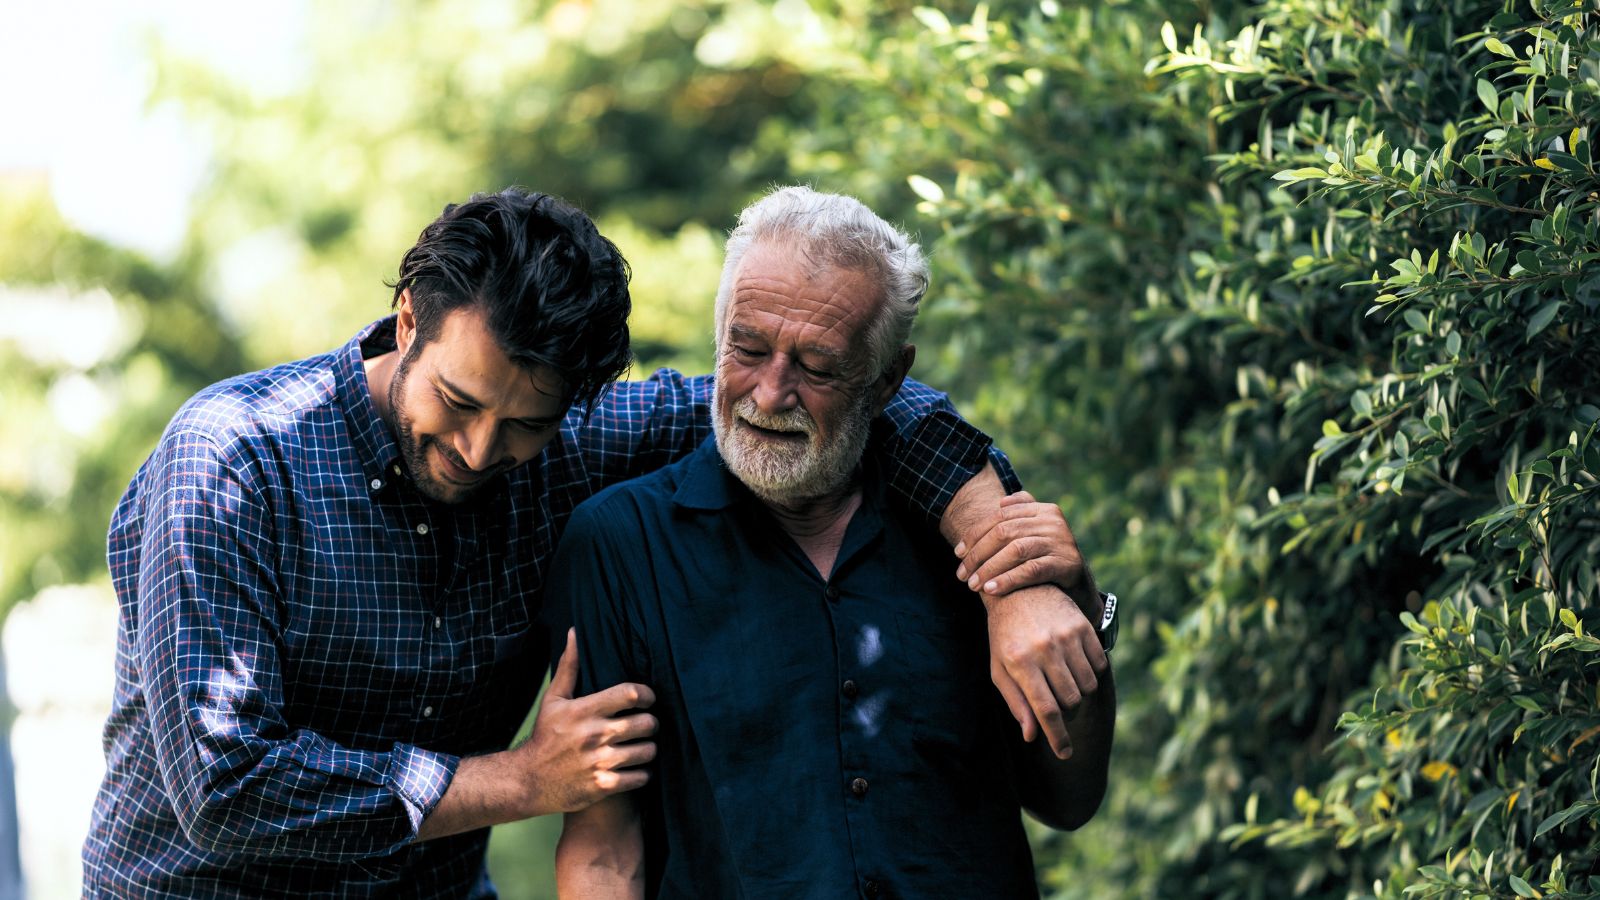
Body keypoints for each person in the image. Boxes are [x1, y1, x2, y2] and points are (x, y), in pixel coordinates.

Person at [80, 188, 1101, 896]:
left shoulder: (573, 439)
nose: (480, 451)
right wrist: (525, 780)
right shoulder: (232, 463)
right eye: (457, 400)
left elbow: (864, 406)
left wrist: (1007, 566)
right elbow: (226, 787)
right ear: (406, 322)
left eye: (523, 425)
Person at [552, 186, 1118, 898]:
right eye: (747, 348)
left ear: (888, 380)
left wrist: (1076, 608)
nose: (769, 394)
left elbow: (1068, 799)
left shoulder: (976, 528)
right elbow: (605, 849)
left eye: (817, 367)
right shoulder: (619, 544)